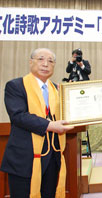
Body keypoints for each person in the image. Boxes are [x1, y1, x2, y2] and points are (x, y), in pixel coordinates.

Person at [0, 48, 74, 198]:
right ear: (31, 62)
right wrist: (50, 125)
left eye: (50, 61)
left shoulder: (57, 90)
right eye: (40, 59)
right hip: (25, 160)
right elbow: (19, 116)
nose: (45, 64)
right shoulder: (16, 86)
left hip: (52, 159)